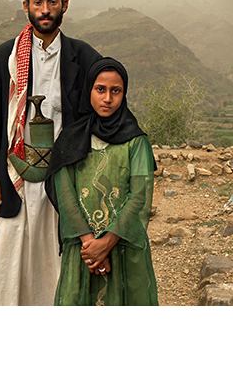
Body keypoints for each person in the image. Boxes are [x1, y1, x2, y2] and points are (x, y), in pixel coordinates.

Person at [0, 0, 101, 305]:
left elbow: (96, 115)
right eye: (37, 2)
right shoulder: (5, 55)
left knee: (56, 253)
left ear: (65, 3)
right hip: (16, 169)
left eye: (52, 2)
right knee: (13, 246)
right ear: (25, 5)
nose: (45, 10)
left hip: (63, 173)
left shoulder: (83, 56)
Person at [45, 58, 158, 305]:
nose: (107, 98)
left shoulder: (137, 142)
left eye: (115, 91)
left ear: (124, 93)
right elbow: (64, 192)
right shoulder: (71, 138)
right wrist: (90, 244)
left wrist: (106, 243)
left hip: (122, 246)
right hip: (82, 250)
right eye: (100, 90)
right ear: (89, 91)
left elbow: (139, 195)